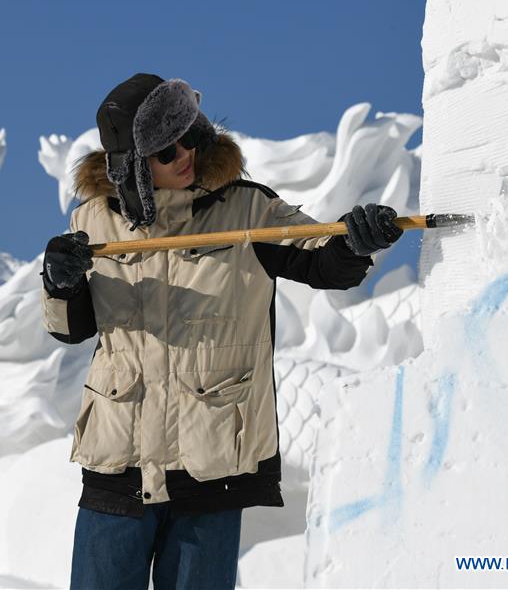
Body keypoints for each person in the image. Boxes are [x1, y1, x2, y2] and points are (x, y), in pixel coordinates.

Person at [40, 73, 403, 590]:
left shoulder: (247, 209)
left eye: (189, 135)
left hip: (210, 467)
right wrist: (59, 281)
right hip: (116, 466)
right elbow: (72, 329)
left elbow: (323, 262)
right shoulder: (91, 221)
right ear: (133, 166)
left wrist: (356, 241)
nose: (185, 152)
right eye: (165, 151)